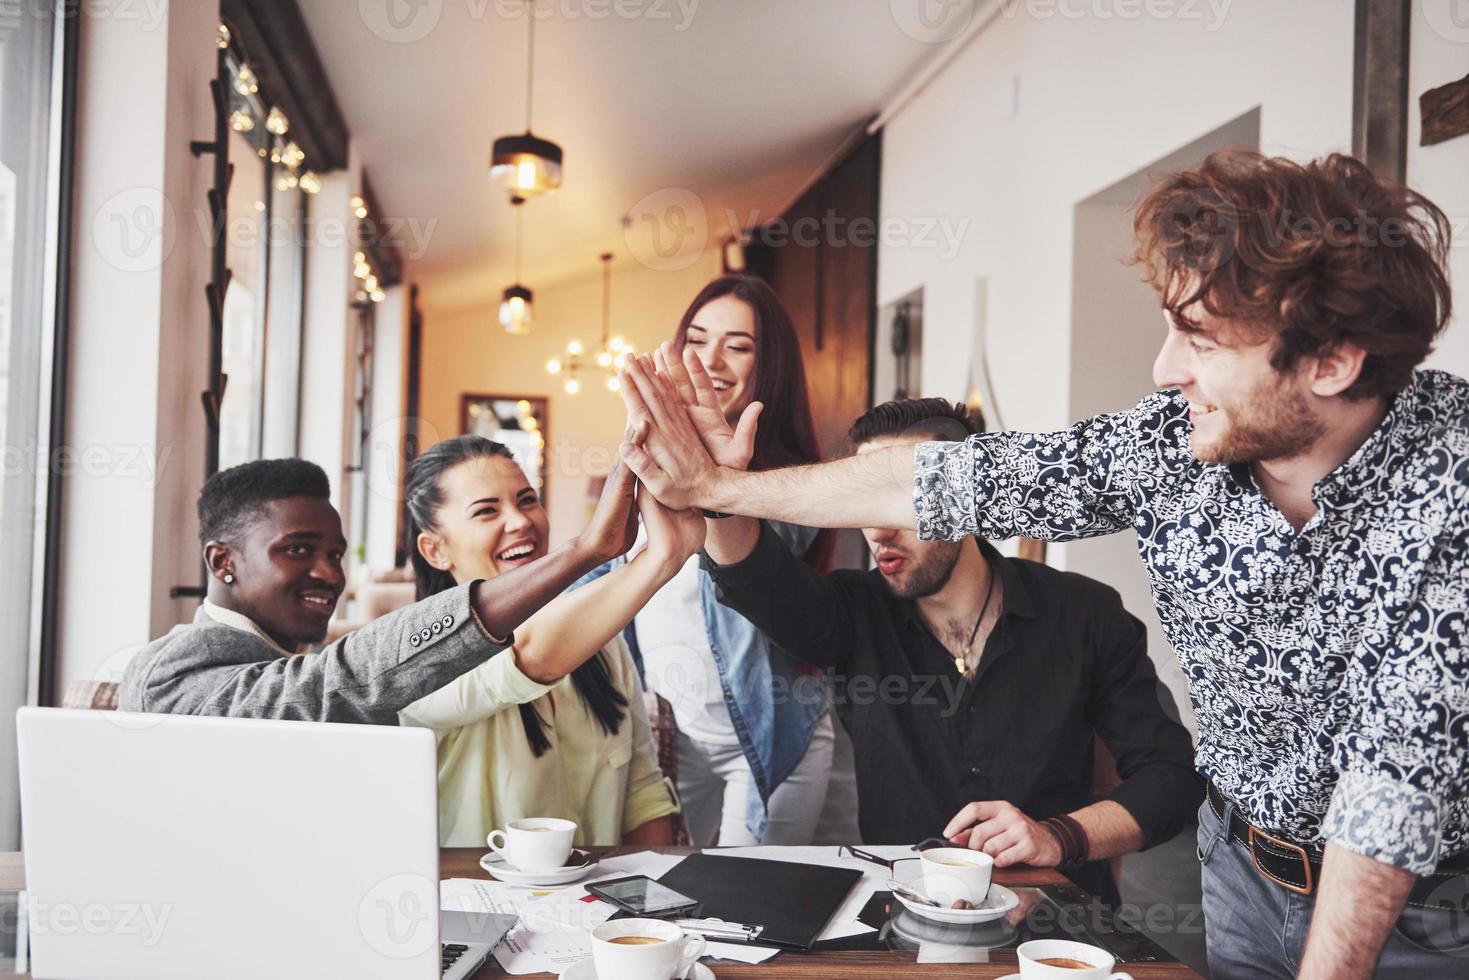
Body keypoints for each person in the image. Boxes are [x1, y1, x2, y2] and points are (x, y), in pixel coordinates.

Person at [618, 151, 1469, 979]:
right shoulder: (1167, 442)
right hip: (1239, 872)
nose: (1163, 369)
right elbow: (937, 478)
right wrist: (719, 485)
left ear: (1331, 362)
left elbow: (1390, 789)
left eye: (1199, 341)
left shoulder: (1448, 485)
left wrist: (1060, 835)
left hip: (1421, 911)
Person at [693, 394, 1201, 904]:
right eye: (863, 503)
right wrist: (721, 493)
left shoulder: (1084, 613)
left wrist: (1057, 836)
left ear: (967, 494)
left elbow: (1172, 779)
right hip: (909, 919)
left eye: (900, 500)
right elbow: (755, 578)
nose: (879, 529)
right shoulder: (851, 613)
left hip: (1055, 924)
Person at [578, 274, 836, 846]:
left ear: (769, 365)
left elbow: (756, 571)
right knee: (678, 894)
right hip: (674, 732)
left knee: (752, 908)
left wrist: (715, 479)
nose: (712, 359)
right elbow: (602, 570)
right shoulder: (654, 459)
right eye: (697, 339)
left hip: (770, 737)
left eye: (738, 345)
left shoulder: (785, 480)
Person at [120, 456, 640, 724]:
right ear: (222, 561)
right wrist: (585, 551)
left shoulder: (288, 652)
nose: (328, 573)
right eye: (298, 550)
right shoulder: (175, 672)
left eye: (335, 554)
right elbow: (340, 681)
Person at [398, 436, 694, 847]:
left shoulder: (603, 642)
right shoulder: (416, 662)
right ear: (435, 550)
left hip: (598, 899)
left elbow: (643, 793)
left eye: (526, 500)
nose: (520, 522)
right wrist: (657, 557)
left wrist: (649, 893)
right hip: (483, 903)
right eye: (486, 511)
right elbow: (530, 653)